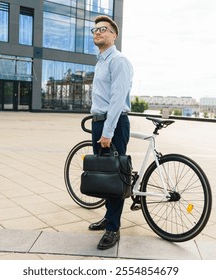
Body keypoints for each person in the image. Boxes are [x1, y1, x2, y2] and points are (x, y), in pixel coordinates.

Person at [88, 15, 133, 250]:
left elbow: (116, 100)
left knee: (114, 177)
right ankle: (109, 217)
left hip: (112, 125)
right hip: (100, 123)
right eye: (94, 29)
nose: (97, 32)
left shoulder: (119, 61)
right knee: (105, 175)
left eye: (103, 29)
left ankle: (113, 229)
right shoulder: (101, 62)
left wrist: (107, 132)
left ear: (113, 35)